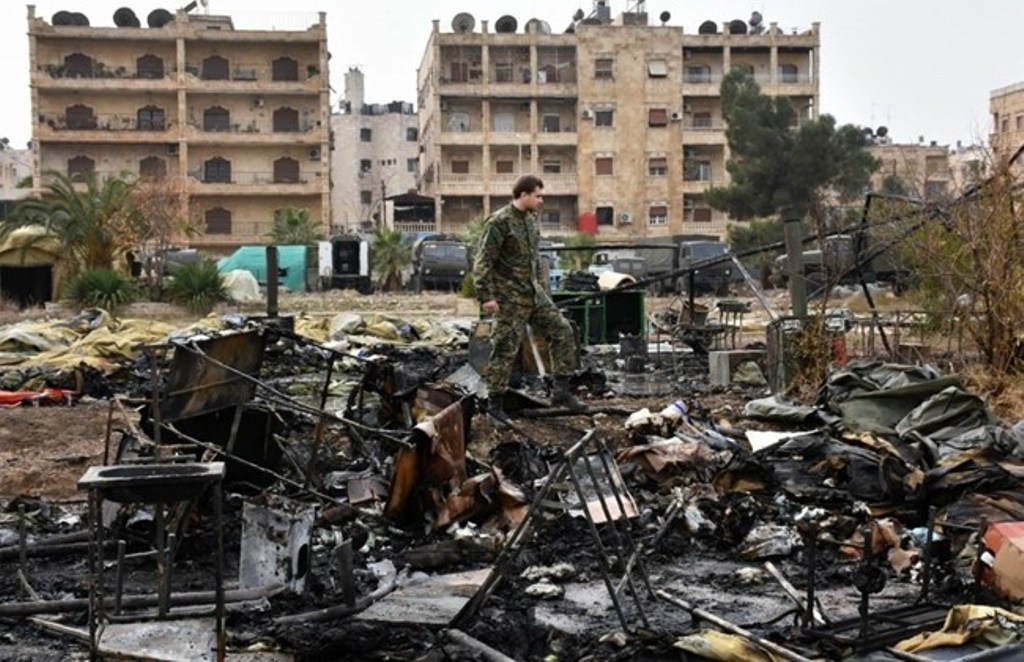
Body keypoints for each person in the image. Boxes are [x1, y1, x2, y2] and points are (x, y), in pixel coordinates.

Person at [473, 174, 584, 427]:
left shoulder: (532, 221)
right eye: (538, 195)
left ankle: (561, 391)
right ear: (523, 194)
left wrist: (543, 291)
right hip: (508, 298)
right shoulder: (499, 222)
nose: (541, 200)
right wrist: (486, 296)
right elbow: (483, 263)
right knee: (505, 348)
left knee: (563, 329)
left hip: (533, 294)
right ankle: (495, 406)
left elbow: (533, 261)